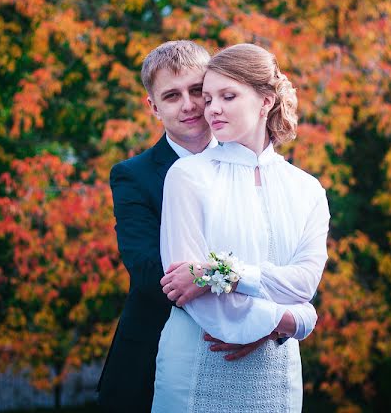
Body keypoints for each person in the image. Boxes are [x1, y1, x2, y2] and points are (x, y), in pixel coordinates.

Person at [152, 43, 331, 413]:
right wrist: (289, 318)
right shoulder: (186, 176)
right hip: (199, 360)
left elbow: (304, 285)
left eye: (227, 96)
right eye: (209, 97)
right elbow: (188, 292)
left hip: (277, 370)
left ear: (266, 101)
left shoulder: (308, 189)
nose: (211, 108)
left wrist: (228, 277)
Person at [98, 41, 274, 412]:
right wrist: (244, 310)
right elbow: (150, 273)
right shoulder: (133, 176)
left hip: (245, 357)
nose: (190, 105)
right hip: (152, 353)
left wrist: (262, 324)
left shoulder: (255, 166)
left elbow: (277, 256)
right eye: (172, 96)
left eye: (198, 91)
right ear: (154, 108)